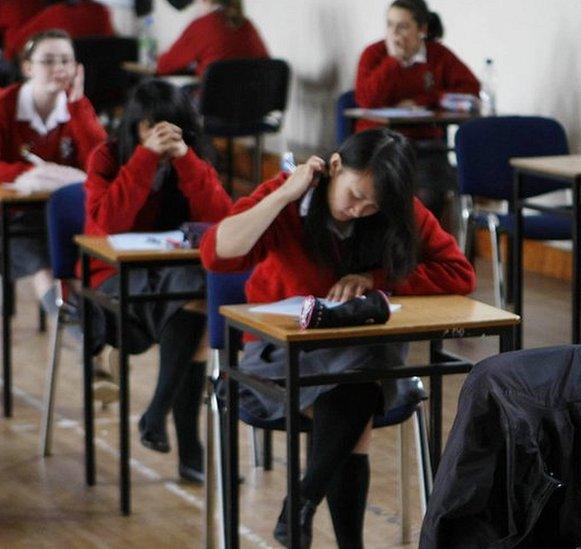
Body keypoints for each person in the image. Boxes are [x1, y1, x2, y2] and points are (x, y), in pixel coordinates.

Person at [201, 128, 476, 548]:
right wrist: (282, 195)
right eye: (354, 195)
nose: (361, 209)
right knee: (357, 391)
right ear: (334, 167)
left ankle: (303, 501)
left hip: (360, 358)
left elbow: (460, 273)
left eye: (374, 205)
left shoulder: (395, 209)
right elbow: (217, 254)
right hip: (282, 353)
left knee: (356, 380)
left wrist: (377, 279)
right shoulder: (294, 200)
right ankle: (320, 517)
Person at [81, 79, 231, 483]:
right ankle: (184, 443)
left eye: (169, 127)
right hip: (113, 280)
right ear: (135, 127)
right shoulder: (108, 156)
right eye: (150, 127)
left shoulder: (195, 154)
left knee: (198, 290)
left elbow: (222, 220)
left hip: (173, 274)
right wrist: (145, 160)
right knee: (194, 301)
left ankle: (159, 415)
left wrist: (186, 161)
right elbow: (108, 223)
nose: (161, 136)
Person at [0, 29, 105, 317]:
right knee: (45, 259)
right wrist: (31, 173)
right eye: (48, 61)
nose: (59, 69)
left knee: (84, 256)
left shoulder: (77, 107)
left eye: (66, 61)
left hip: (59, 213)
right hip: (14, 216)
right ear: (27, 67)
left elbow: (101, 163)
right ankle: (80, 334)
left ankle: (90, 334)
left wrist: (79, 107)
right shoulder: (5, 104)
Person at [355, 0, 479, 224]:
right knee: (381, 195)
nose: (394, 33)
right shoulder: (374, 54)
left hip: (424, 146)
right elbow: (366, 100)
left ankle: (421, 252)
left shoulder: (438, 55)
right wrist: (393, 61)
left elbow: (471, 88)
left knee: (431, 195)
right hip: (378, 146)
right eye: (390, 25)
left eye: (402, 26)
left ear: (422, 29)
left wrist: (424, 100)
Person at [156, 0, 269, 78]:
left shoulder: (202, 26)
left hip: (213, 107)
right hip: (253, 109)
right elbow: (267, 65)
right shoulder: (248, 26)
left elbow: (164, 66)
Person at [4, 0, 115, 62]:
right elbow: (117, 46)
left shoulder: (56, 14)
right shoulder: (101, 12)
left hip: (58, 93)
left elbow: (11, 51)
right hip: (108, 95)